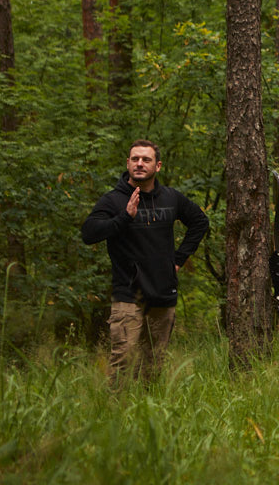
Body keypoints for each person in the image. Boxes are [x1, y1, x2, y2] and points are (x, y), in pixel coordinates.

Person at [81, 140, 210, 386]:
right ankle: (116, 418)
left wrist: (178, 259)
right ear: (128, 163)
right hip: (128, 295)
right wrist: (124, 217)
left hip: (163, 294)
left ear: (157, 166)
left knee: (153, 366)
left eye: (146, 159)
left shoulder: (171, 198)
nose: (140, 164)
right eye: (135, 159)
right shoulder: (113, 201)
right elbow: (89, 233)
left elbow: (200, 222)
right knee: (123, 362)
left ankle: (147, 417)